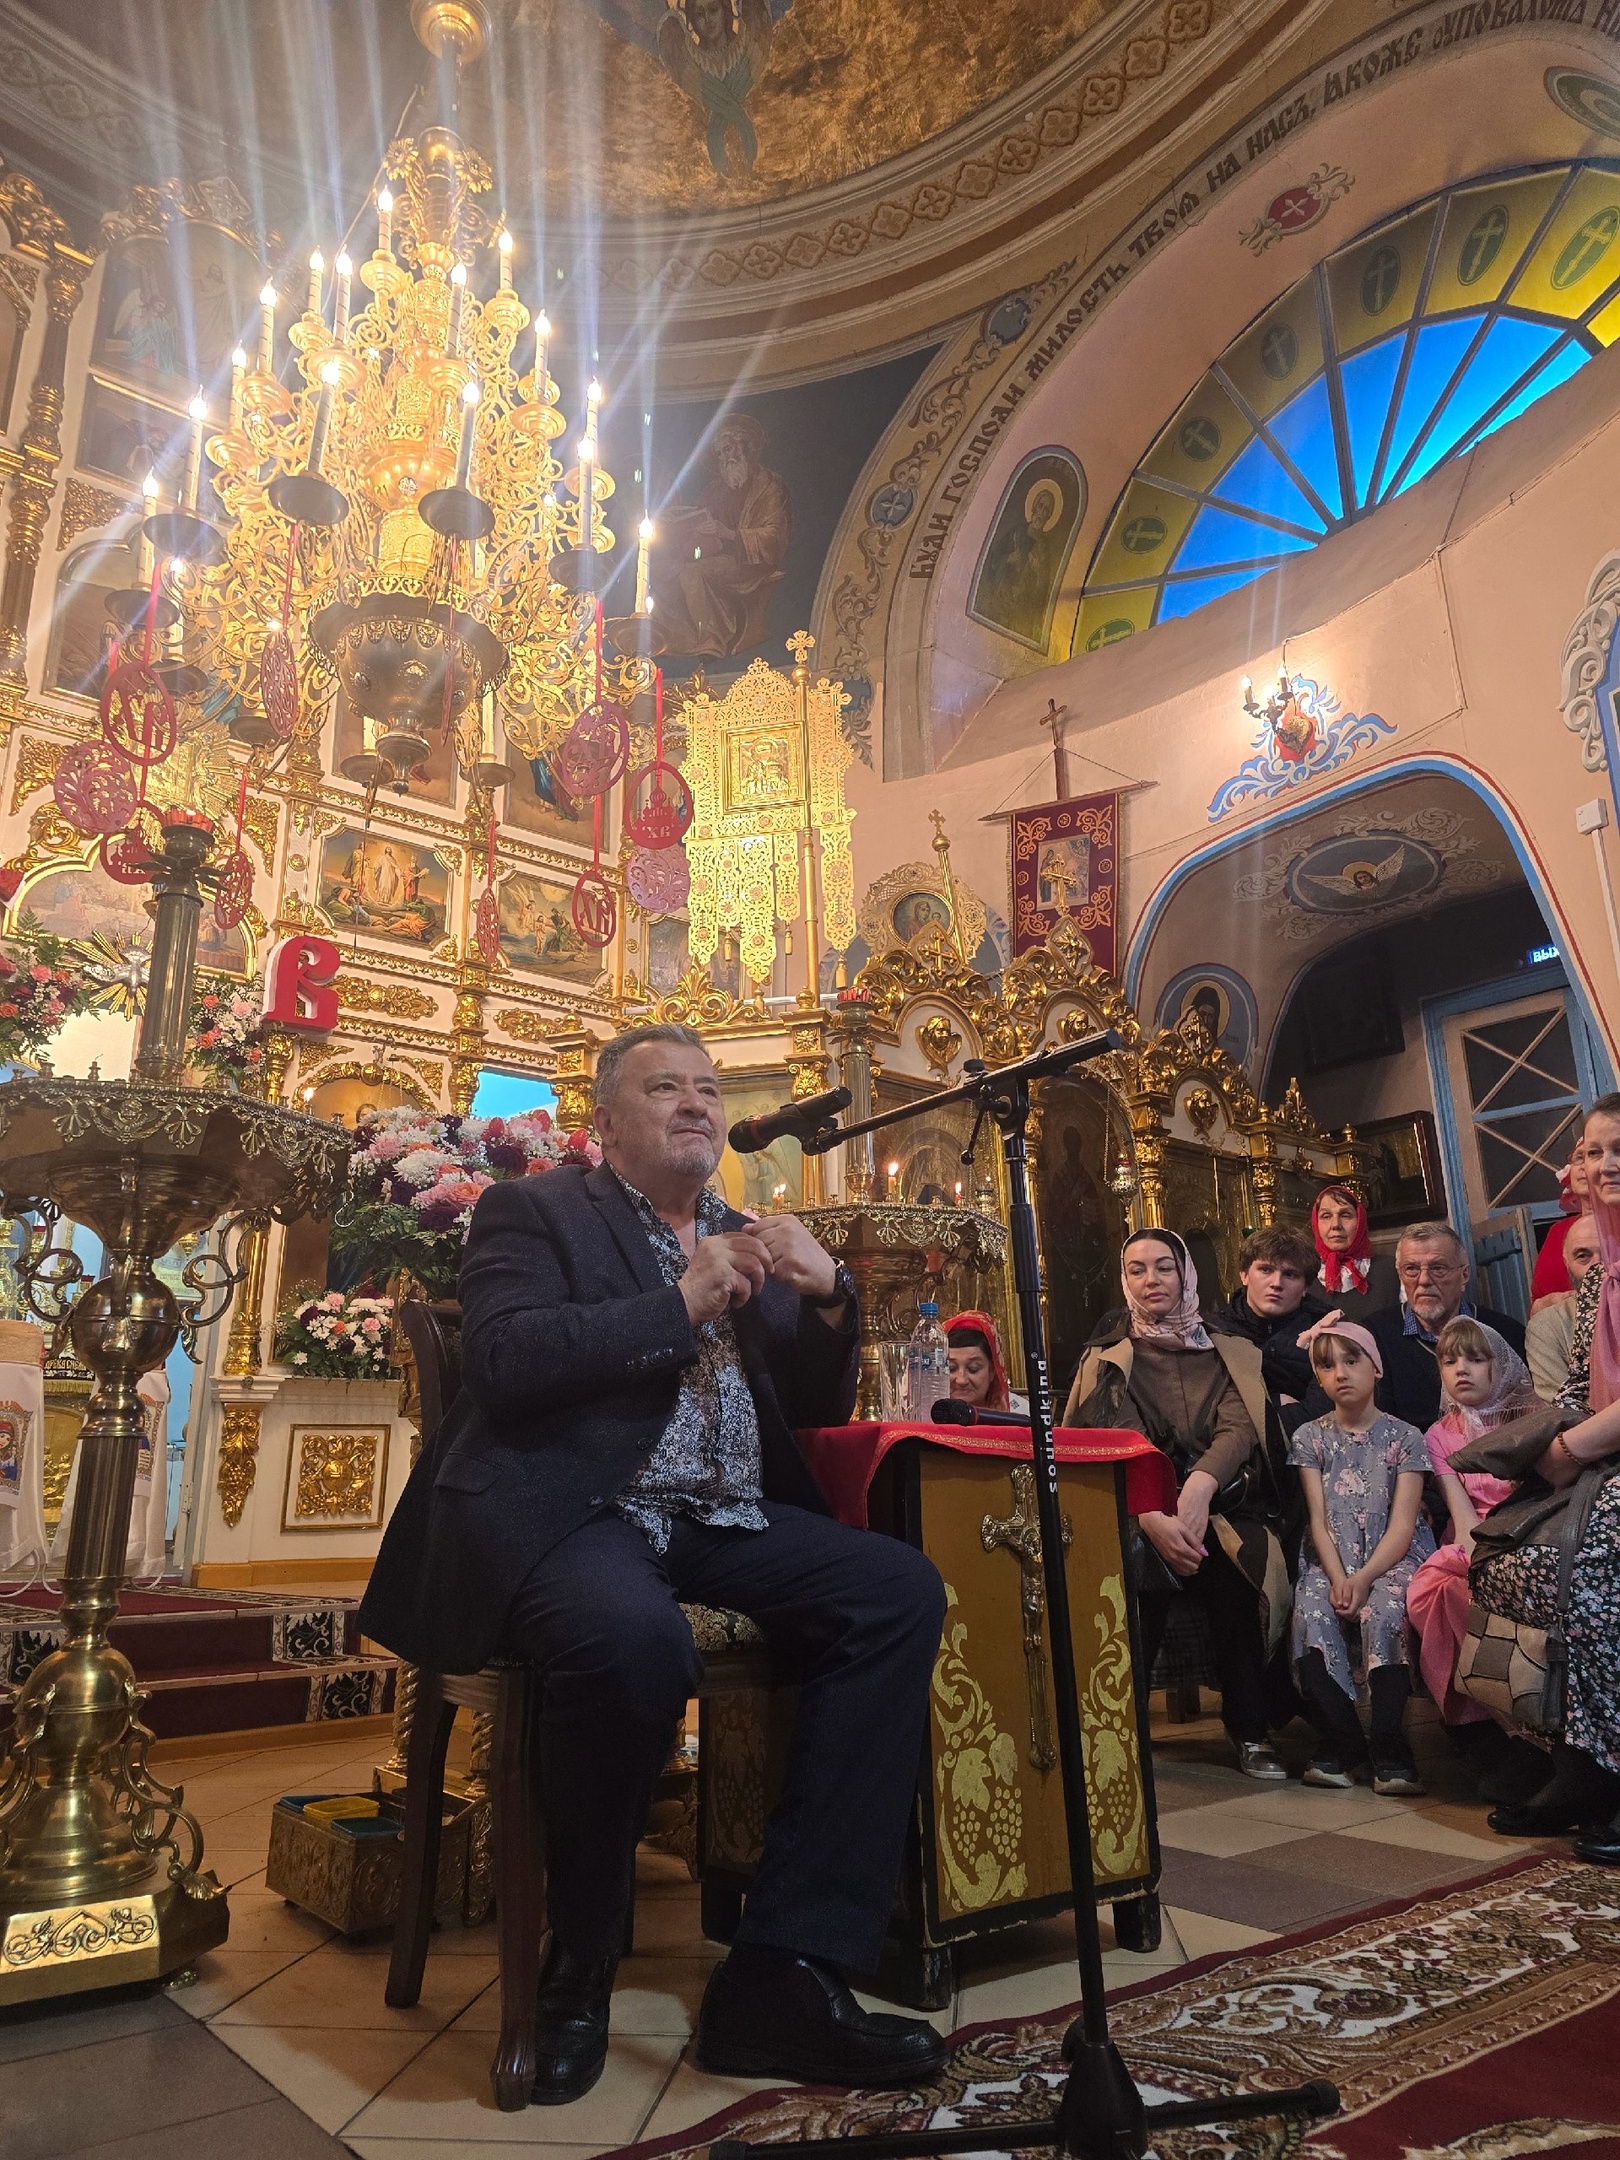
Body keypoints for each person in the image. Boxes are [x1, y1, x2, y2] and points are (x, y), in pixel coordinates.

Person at [360, 1024, 948, 2103]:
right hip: (578, 1508)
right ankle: (579, 1962)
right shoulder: (534, 1211)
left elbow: (808, 1410)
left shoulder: (741, 1231)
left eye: (709, 1089)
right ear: (606, 1122)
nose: (697, 1104)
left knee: (898, 1591)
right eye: (666, 1087)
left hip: (724, 1518)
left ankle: (782, 1969)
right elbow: (506, 1361)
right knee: (633, 1644)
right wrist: (678, 1302)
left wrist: (830, 1298)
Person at [1065, 1229, 1291, 1782]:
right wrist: (1152, 1513)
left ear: (1185, 1274)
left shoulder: (1228, 1348)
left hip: (1220, 1505)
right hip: (1135, 1508)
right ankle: (1120, 1733)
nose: (1152, 1280)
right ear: (1125, 1280)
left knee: (1237, 1572)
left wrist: (1199, 1488)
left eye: (1164, 1267)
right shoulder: (1107, 1357)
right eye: (1137, 1269)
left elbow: (1240, 1427)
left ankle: (1250, 1730)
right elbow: (1117, 1437)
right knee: (1136, 1572)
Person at [1464, 1093, 1620, 1859]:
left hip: (1604, 1458)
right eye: (1593, 1150)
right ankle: (1577, 1766)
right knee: (1505, 1558)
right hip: (1601, 1459)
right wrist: (1538, 1442)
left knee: (1588, 1569)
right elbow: (1580, 1390)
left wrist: (1572, 1449)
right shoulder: (1598, 1280)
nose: (1606, 1163)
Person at [1288, 1319, 1435, 1795]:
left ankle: (1390, 1745)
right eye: (1326, 1366)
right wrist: (1338, 1578)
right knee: (1313, 1609)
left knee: (1386, 1610)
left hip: (1392, 1558)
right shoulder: (1310, 1437)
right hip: (1331, 1556)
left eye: (1352, 1361)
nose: (1340, 1374)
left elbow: (1403, 1525)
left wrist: (1366, 1577)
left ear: (1376, 1368)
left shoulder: (1406, 1437)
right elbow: (1317, 1520)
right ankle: (1343, 1740)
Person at [1405, 1319, 1547, 1800]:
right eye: (1449, 1361)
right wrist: (1482, 1560)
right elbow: (1463, 1518)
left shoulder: (1532, 1417)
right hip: (1476, 1540)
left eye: (1474, 1358)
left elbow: (1546, 1499)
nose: (1460, 1369)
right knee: (1437, 1588)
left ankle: (1534, 1736)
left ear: (1499, 1366)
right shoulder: (1438, 1435)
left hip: (1531, 1533)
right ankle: (1484, 1733)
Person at [1364, 1222, 1526, 1431]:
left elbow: (1524, 1420)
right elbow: (1378, 1428)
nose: (1424, 1280)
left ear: (1464, 1275)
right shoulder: (1375, 1336)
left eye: (1438, 1268)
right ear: (1400, 1275)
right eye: (1411, 1269)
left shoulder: (1504, 1334)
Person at [1219, 1224, 1329, 1430]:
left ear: (1305, 1287)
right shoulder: (1216, 1331)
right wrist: (1275, 1401)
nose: (1276, 1283)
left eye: (1290, 1274)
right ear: (1244, 1275)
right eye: (1266, 1270)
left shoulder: (1328, 1331)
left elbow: (1325, 1412)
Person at [1525, 1213, 1600, 1400]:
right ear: (1567, 1264)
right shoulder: (1548, 1327)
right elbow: (1560, 1409)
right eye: (1583, 1256)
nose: (1598, 1265)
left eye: (1608, 1251)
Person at [1311, 1186, 1400, 1321]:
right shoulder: (1304, 1275)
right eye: (1326, 1216)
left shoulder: (1391, 1270)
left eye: (1345, 1215)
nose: (1335, 1225)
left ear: (1360, 1221)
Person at [1529, 1141, 1591, 1305]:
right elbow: (1536, 1298)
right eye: (1579, 1157)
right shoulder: (1558, 1231)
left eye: (1593, 1155)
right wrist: (1545, 1305)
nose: (1583, 1166)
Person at [945, 1310, 1029, 1416]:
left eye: (973, 1369)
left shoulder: (1020, 1413)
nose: (961, 1380)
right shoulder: (925, 1414)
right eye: (951, 1368)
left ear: (992, 1371)